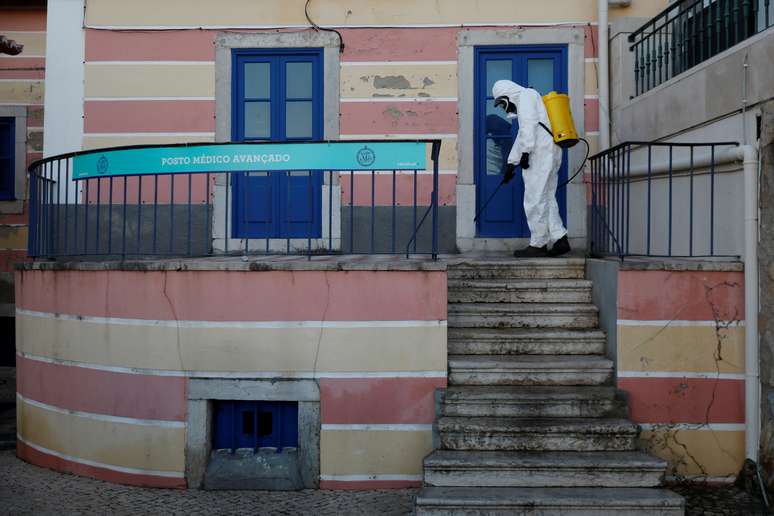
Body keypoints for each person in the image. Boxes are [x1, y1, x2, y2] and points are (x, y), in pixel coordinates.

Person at [492, 79, 571, 258]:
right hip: (548, 151)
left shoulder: (526, 96)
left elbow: (529, 126)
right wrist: (512, 164)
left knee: (534, 199)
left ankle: (538, 244)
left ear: (508, 96)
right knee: (547, 197)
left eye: (503, 103)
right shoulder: (529, 98)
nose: (505, 109)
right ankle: (560, 239)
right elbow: (523, 133)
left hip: (540, 152)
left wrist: (526, 153)